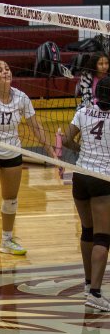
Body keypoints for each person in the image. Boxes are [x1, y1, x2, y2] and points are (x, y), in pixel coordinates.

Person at [0, 59, 54, 267]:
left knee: (10, 200)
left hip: (13, 151)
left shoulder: (21, 97)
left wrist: (50, 150)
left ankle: (7, 241)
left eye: (7, 69)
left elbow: (36, 126)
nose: (5, 72)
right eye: (0, 70)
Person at [62, 75, 110, 312]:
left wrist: (82, 149)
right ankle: (95, 294)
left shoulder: (83, 111)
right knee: (103, 237)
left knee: (87, 231)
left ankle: (88, 284)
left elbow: (66, 139)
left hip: (80, 176)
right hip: (103, 179)